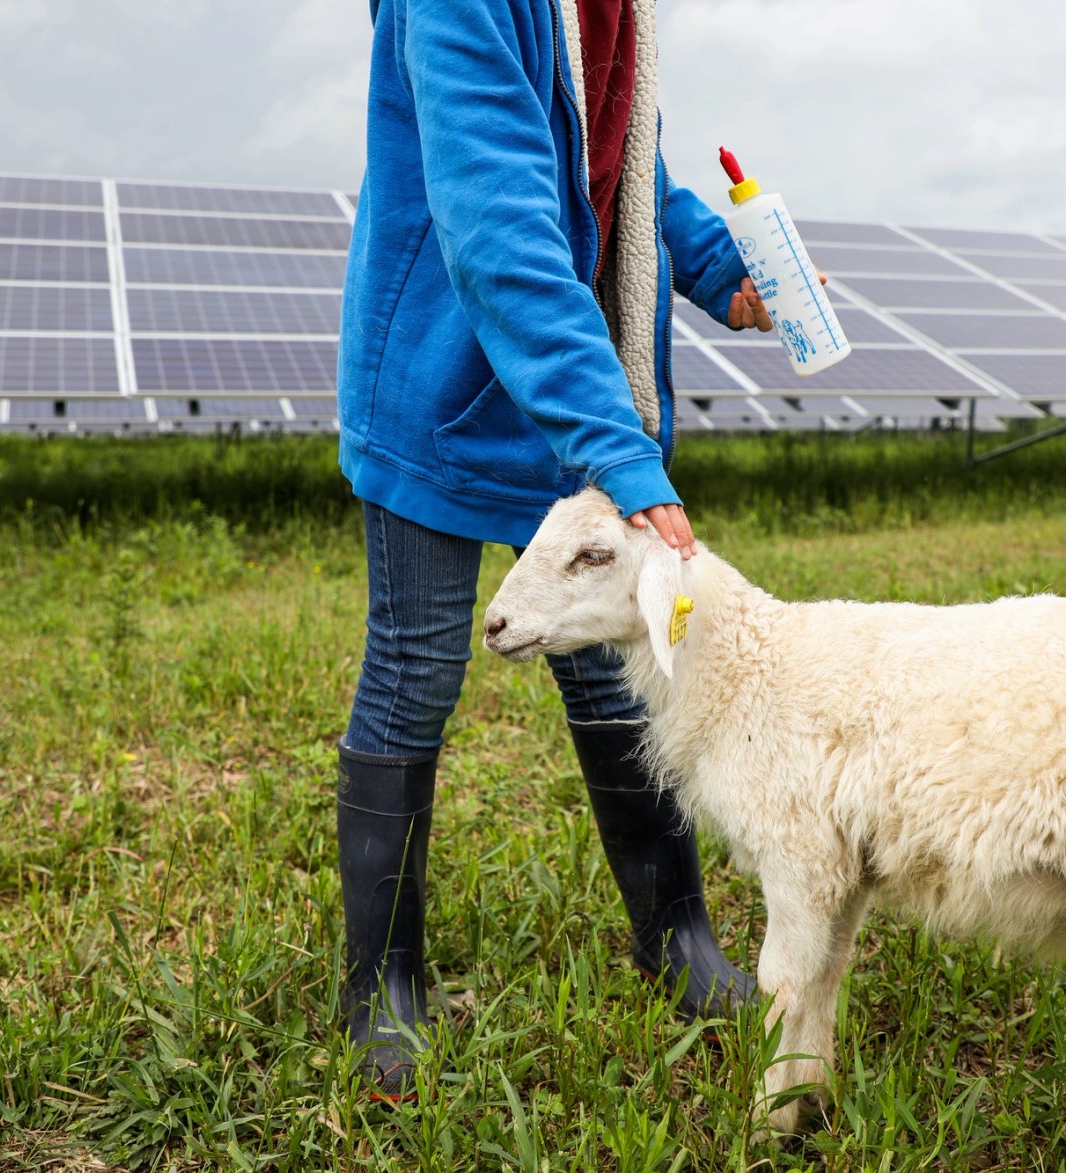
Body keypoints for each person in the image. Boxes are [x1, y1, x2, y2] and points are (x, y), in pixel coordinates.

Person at [335, 0, 775, 1100]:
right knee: (415, 668)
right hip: (442, 379)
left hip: (573, 388)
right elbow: (501, 225)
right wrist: (619, 453)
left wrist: (716, 268)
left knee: (615, 670)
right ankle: (382, 984)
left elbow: (624, 169)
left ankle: (676, 938)